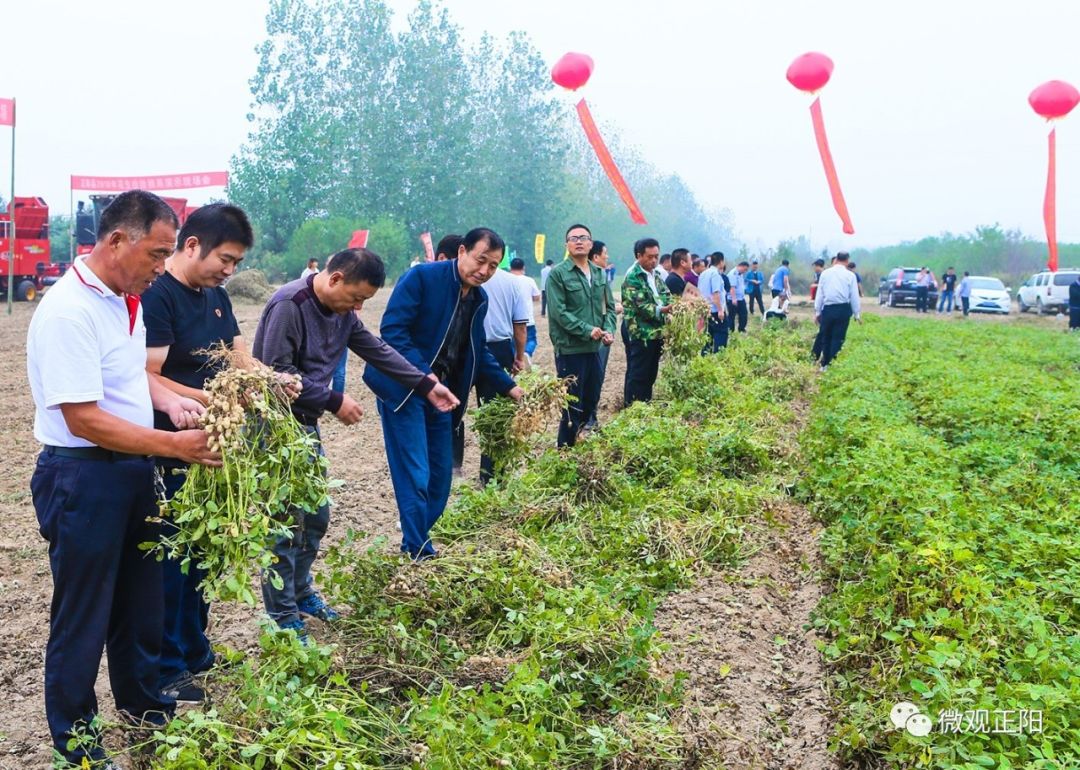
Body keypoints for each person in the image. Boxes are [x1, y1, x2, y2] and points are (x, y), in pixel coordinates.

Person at [27, 190, 220, 766]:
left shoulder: (123, 300)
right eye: (157, 254)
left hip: (133, 472)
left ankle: (145, 709)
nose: (163, 268)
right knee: (85, 615)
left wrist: (179, 400)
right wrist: (173, 445)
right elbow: (82, 418)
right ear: (117, 241)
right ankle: (79, 745)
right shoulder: (70, 310)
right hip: (82, 478)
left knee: (142, 604)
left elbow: (132, 377)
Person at [254, 248, 459, 631]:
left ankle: (302, 594)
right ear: (334, 279)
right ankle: (282, 616)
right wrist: (333, 400)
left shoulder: (343, 314)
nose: (359, 307)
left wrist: (427, 384)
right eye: (357, 297)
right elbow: (274, 374)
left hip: (304, 426)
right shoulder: (290, 305)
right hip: (274, 429)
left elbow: (378, 350)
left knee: (315, 515)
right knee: (282, 523)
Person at [141, 203, 256, 705]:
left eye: (235, 264)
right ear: (192, 246)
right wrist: (216, 401)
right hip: (170, 448)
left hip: (212, 448)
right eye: (225, 260)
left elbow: (237, 353)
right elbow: (146, 376)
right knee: (172, 559)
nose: (228, 271)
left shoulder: (214, 296)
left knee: (203, 554)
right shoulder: (159, 297)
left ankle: (195, 648)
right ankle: (166, 666)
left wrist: (262, 382)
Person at [365, 228, 522, 559]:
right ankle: (419, 550)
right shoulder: (422, 278)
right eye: (481, 260)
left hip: (443, 397)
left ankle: (416, 540)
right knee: (415, 473)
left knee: (440, 478)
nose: (485, 271)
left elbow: (479, 352)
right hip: (405, 390)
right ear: (463, 251)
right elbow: (393, 331)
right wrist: (425, 375)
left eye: (493, 266)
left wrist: (511, 387)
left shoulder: (479, 299)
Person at [546, 224, 616, 446]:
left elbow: (610, 308)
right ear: (567, 244)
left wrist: (609, 330)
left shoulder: (599, 273)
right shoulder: (558, 274)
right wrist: (588, 330)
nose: (578, 241)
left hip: (595, 349)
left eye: (583, 238)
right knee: (571, 406)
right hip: (570, 349)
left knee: (590, 401)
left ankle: (580, 448)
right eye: (573, 238)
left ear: (590, 244)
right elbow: (559, 313)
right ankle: (564, 452)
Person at [477, 263, 529, 483]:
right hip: (498, 349)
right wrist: (519, 356)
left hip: (466, 347)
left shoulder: (469, 275)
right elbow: (520, 326)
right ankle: (491, 475)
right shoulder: (512, 282)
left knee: (454, 409)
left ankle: (453, 467)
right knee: (495, 415)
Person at [623, 238, 673, 405]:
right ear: (639, 256)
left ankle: (645, 404)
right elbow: (641, 306)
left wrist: (672, 305)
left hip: (657, 332)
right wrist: (662, 310)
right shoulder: (633, 277)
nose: (653, 261)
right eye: (650, 257)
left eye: (656, 257)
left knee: (651, 372)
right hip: (641, 332)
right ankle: (633, 408)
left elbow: (666, 295)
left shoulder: (656, 275)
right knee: (638, 373)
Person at [813, 252, 862, 371]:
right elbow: (854, 296)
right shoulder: (850, 275)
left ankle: (824, 364)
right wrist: (857, 314)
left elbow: (820, 294)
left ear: (836, 259)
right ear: (847, 261)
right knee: (838, 337)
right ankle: (831, 364)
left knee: (826, 336)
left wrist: (818, 312)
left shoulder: (825, 273)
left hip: (828, 308)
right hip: (843, 309)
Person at [588, 240, 622, 388]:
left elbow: (606, 305)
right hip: (595, 334)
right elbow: (598, 307)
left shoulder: (601, 276)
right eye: (605, 253)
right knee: (594, 377)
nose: (607, 257)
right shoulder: (593, 277)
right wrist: (615, 308)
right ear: (595, 257)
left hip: (603, 332)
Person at [509, 257, 541, 359]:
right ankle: (526, 353)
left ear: (511, 267)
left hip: (510, 319)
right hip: (527, 317)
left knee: (513, 341)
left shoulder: (507, 280)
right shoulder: (529, 280)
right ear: (523, 267)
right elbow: (536, 297)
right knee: (531, 340)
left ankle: (515, 359)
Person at [699, 252, 729, 352]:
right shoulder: (715, 274)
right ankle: (719, 358)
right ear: (721, 262)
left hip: (705, 310)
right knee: (721, 335)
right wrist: (721, 310)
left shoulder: (703, 273)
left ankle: (705, 358)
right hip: (715, 311)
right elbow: (715, 294)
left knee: (708, 336)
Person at [728, 260, 750, 332]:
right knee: (732, 315)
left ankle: (741, 328)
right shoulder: (733, 273)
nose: (745, 271)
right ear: (741, 266)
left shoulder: (740, 274)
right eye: (745, 269)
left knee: (744, 314)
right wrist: (734, 299)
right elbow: (732, 287)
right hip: (733, 299)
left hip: (741, 298)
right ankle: (731, 330)